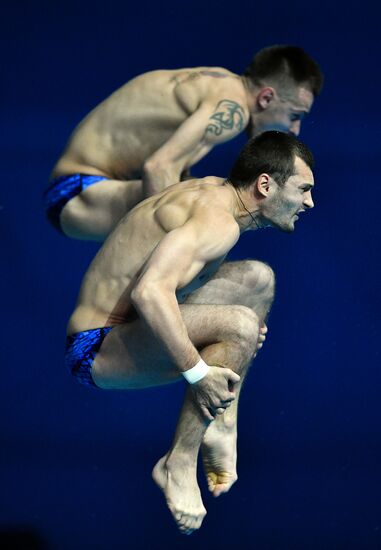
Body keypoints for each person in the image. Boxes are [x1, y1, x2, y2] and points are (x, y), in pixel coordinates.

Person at [64, 131, 315, 534]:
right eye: (303, 189)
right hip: (95, 348)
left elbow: (166, 282)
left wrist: (229, 332)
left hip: (125, 326)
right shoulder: (218, 223)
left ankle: (223, 422)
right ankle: (177, 462)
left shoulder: (215, 192)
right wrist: (200, 371)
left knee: (258, 280)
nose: (309, 202)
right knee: (240, 325)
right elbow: (150, 292)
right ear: (265, 184)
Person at [44, 45, 322, 241]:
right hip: (74, 193)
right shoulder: (232, 109)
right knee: (206, 210)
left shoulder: (219, 83)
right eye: (295, 116)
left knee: (206, 197)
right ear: (266, 98)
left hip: (78, 189)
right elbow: (158, 167)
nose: (295, 129)